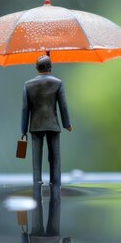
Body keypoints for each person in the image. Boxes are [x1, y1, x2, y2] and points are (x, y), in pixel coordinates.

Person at [21, 55, 72, 186]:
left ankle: (37, 181)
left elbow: (25, 109)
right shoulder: (58, 83)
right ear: (51, 67)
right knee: (55, 157)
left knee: (36, 158)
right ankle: (55, 181)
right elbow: (63, 105)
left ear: (36, 67)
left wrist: (23, 129)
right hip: (53, 125)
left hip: (35, 125)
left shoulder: (28, 85)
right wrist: (67, 124)